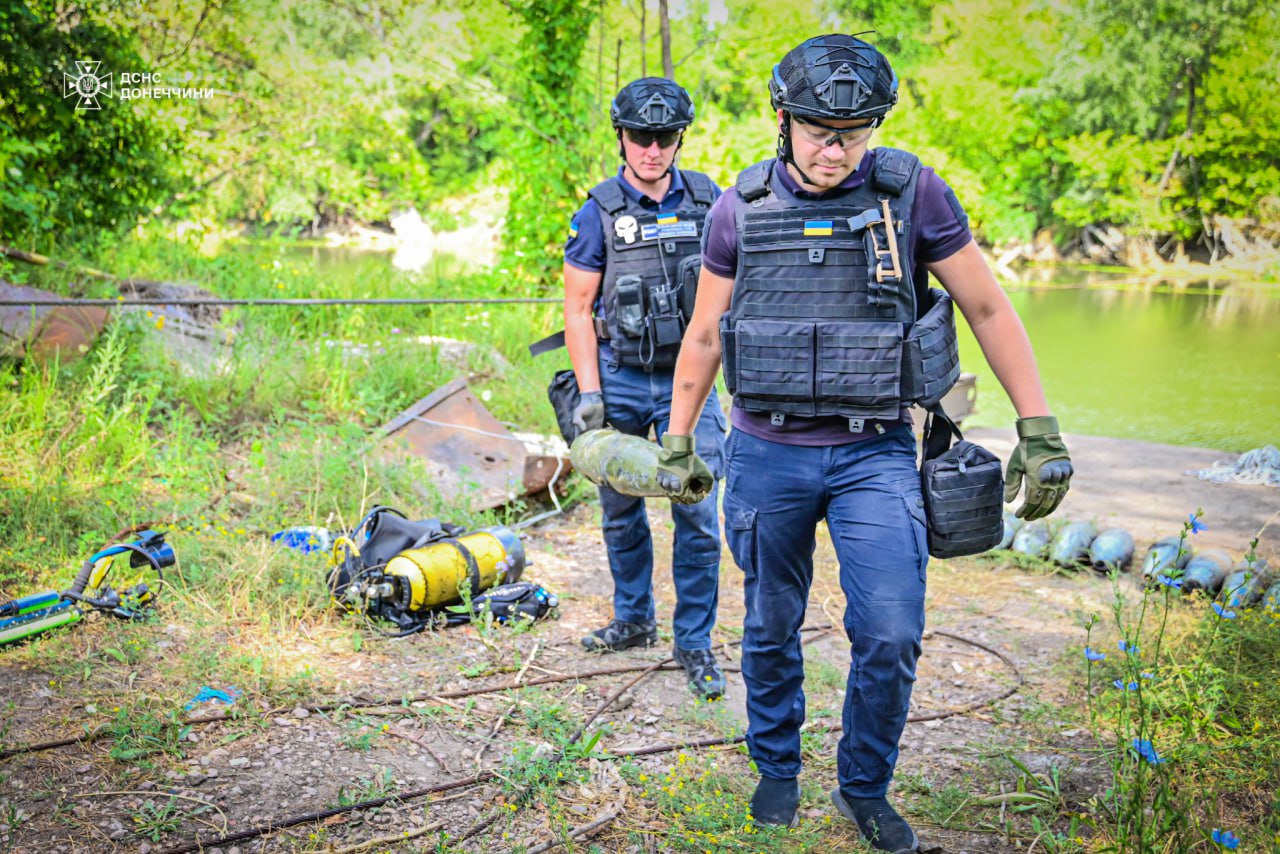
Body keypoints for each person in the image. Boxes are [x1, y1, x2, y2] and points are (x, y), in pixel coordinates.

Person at [654, 35, 1073, 851]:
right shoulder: (739, 208)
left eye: (855, 130)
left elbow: (988, 308)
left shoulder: (914, 197)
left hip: (874, 450)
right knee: (772, 623)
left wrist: (1039, 428)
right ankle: (776, 767)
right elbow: (705, 337)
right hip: (766, 450)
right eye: (817, 128)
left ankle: (864, 786)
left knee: (889, 628)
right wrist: (676, 442)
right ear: (782, 118)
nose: (835, 148)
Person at [561, 77, 729, 700]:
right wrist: (589, 394)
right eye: (640, 137)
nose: (652, 150)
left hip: (691, 382)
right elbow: (579, 309)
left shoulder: (712, 202)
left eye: (664, 138)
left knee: (698, 511)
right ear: (622, 138)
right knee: (620, 508)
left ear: (679, 139)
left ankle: (695, 644)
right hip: (622, 378)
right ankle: (633, 620)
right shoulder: (598, 210)